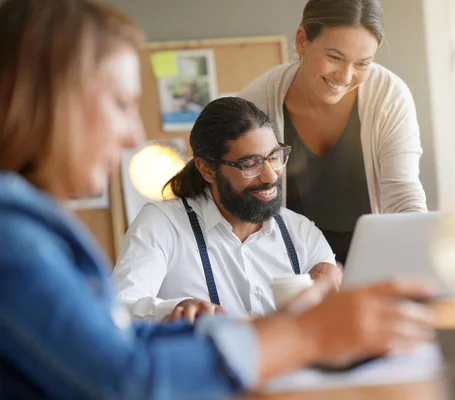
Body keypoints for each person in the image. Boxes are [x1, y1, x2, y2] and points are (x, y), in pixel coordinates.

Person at [0, 1, 434, 399]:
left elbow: (113, 345)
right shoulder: (14, 242)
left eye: (274, 159)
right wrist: (304, 335)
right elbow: (127, 377)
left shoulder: (33, 229)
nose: (134, 133)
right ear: (46, 101)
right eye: (120, 103)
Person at [113, 97, 343, 321]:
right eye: (250, 164)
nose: (271, 175)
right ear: (207, 169)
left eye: (274, 157)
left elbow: (332, 299)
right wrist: (175, 309)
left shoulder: (300, 232)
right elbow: (121, 307)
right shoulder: (163, 224)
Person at [238, 0, 428, 264]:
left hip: (372, 255)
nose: (345, 77)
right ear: (302, 40)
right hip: (289, 260)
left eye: (362, 63)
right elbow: (244, 202)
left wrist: (423, 255)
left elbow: (402, 192)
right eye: (334, 57)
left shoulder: (388, 96)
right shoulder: (257, 103)